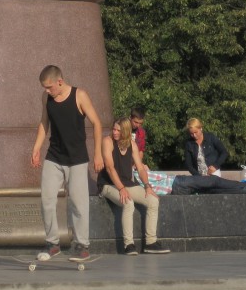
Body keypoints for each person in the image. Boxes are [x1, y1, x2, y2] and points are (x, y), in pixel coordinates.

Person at [30, 64, 103, 261]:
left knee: (79, 203)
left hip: (77, 159)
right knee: (47, 200)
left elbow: (96, 123)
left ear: (59, 81)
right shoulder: (46, 98)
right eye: (44, 87)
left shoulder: (79, 95)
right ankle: (52, 243)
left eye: (49, 87)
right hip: (54, 156)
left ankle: (82, 245)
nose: (46, 91)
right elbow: (44, 122)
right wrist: (37, 147)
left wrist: (98, 154)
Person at [98, 117, 168, 255]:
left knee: (153, 201)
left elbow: (141, 169)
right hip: (108, 184)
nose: (115, 132)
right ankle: (128, 245)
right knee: (128, 202)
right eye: (114, 129)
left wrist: (147, 186)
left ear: (126, 132)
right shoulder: (107, 141)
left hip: (127, 183)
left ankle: (150, 243)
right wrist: (121, 189)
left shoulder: (132, 144)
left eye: (118, 130)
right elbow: (110, 168)